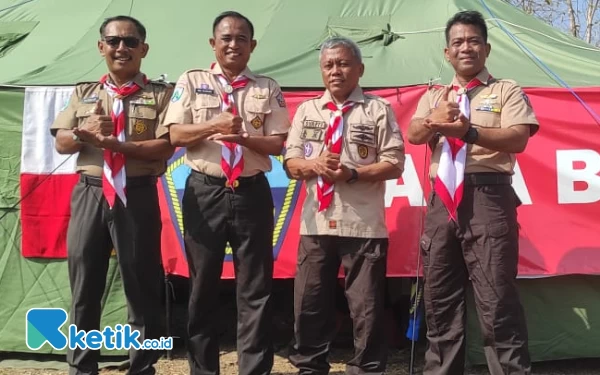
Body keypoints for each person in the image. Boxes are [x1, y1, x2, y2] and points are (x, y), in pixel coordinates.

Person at [407, 10, 539, 375]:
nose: (466, 47)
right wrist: (435, 118)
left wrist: (469, 132)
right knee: (440, 302)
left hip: (487, 197)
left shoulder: (505, 89)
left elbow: (519, 137)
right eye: (458, 42)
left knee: (497, 300)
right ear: (447, 53)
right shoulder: (436, 95)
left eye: (474, 41)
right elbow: (415, 135)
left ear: (487, 48)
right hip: (441, 202)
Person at [162, 11, 291, 375]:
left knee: (255, 288)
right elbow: (175, 136)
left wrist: (245, 139)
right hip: (205, 191)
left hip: (251, 192)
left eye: (241, 39)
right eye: (226, 38)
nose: (233, 44)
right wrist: (212, 126)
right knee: (203, 286)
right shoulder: (192, 80)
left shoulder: (267, 87)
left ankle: (254, 369)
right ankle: (203, 369)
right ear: (213, 43)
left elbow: (280, 144)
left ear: (253, 45)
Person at [50, 15, 174, 375]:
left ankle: (141, 367)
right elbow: (61, 142)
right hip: (90, 193)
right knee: (84, 284)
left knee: (141, 285)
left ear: (144, 49)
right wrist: (85, 132)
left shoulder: (160, 95)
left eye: (131, 42)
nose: (122, 48)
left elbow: (165, 147)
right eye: (114, 41)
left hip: (135, 194)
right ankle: (81, 367)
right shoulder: (84, 93)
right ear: (101, 47)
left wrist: (116, 144)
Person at [284, 36, 405, 375]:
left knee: (365, 308)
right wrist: (314, 166)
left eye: (343, 63)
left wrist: (352, 172)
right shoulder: (307, 111)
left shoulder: (378, 109)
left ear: (360, 69)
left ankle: (366, 369)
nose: (335, 70)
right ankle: (309, 366)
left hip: (363, 224)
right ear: (321, 71)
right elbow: (291, 164)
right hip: (316, 224)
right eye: (328, 65)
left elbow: (395, 164)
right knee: (309, 304)